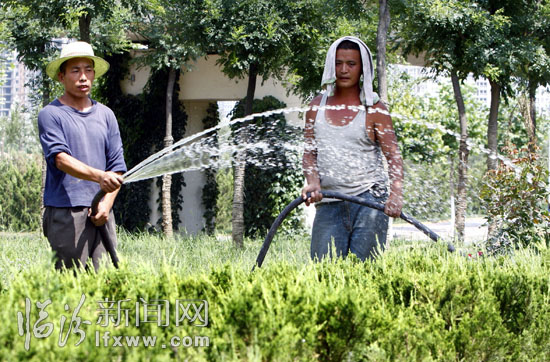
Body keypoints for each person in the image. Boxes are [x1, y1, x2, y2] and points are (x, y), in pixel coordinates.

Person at [301, 36, 404, 261]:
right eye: (338, 63)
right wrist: (312, 180)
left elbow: (394, 157)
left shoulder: (375, 109)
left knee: (365, 276)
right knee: (323, 275)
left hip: (369, 203)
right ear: (331, 65)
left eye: (351, 64)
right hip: (329, 203)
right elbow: (309, 153)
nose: (344, 70)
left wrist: (395, 195)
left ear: (362, 69)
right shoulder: (316, 106)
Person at [38, 41, 127, 270]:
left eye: (88, 70)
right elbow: (60, 159)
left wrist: (106, 205)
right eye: (75, 71)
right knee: (71, 285)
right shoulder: (51, 114)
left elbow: (117, 167)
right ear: (61, 76)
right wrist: (99, 177)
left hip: (102, 212)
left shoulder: (106, 115)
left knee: (105, 283)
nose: (83, 77)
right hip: (66, 213)